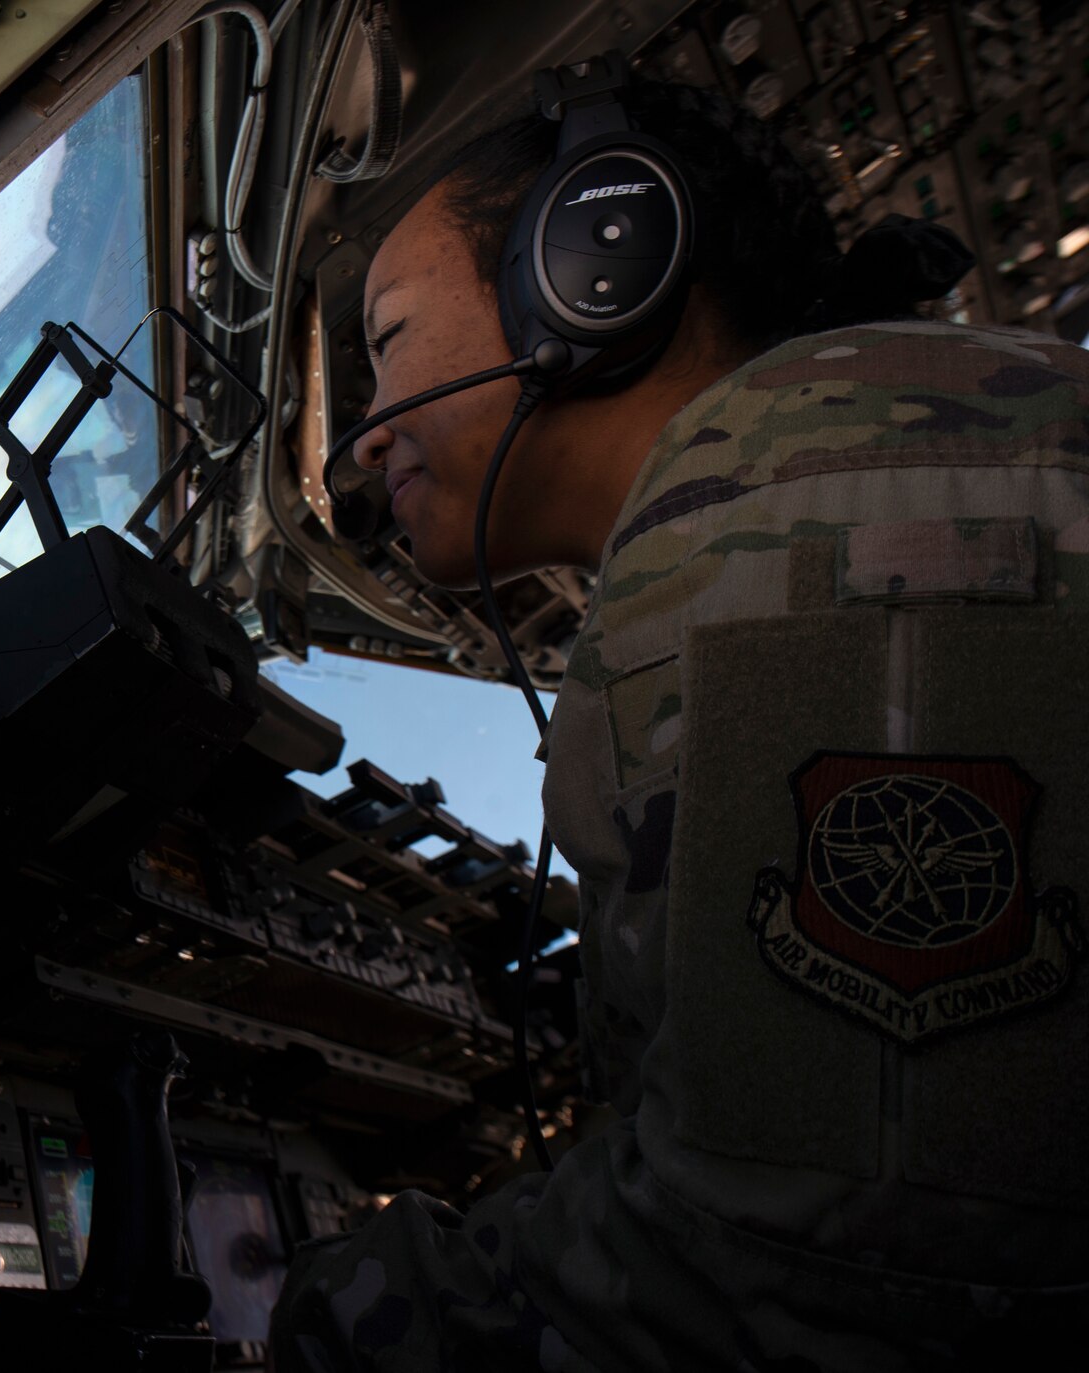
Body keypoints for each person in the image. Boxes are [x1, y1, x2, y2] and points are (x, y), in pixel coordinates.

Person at [270, 78, 1089, 1371]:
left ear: (596, 270)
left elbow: (835, 1267)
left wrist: (352, 1310)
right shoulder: (843, 457)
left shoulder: (819, 511)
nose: (365, 436)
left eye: (391, 339)